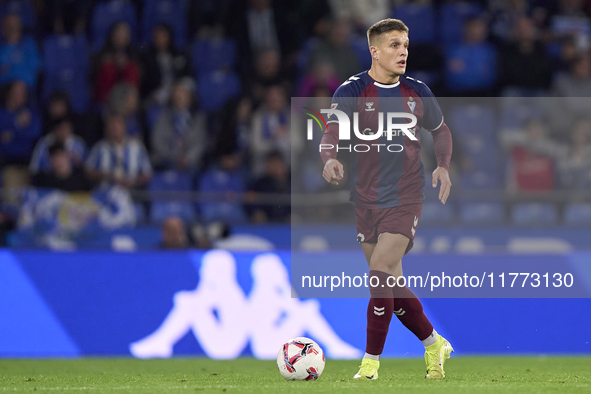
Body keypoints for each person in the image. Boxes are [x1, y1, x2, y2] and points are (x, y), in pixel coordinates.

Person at [320, 19, 454, 379]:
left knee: (379, 274)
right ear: (374, 51)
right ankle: (433, 343)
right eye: (394, 45)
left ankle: (370, 363)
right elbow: (330, 131)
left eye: (406, 45)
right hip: (365, 200)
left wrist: (442, 166)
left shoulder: (417, 91)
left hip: (406, 196)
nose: (403, 51)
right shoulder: (352, 91)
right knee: (390, 285)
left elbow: (440, 131)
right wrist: (329, 157)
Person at [85, 113, 152, 189]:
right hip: (105, 193)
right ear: (106, 127)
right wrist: (106, 175)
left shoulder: (136, 146)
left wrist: (133, 180)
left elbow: (147, 174)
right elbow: (88, 171)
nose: (114, 126)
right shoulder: (100, 147)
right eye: (111, 123)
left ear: (124, 125)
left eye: (118, 122)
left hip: (133, 193)